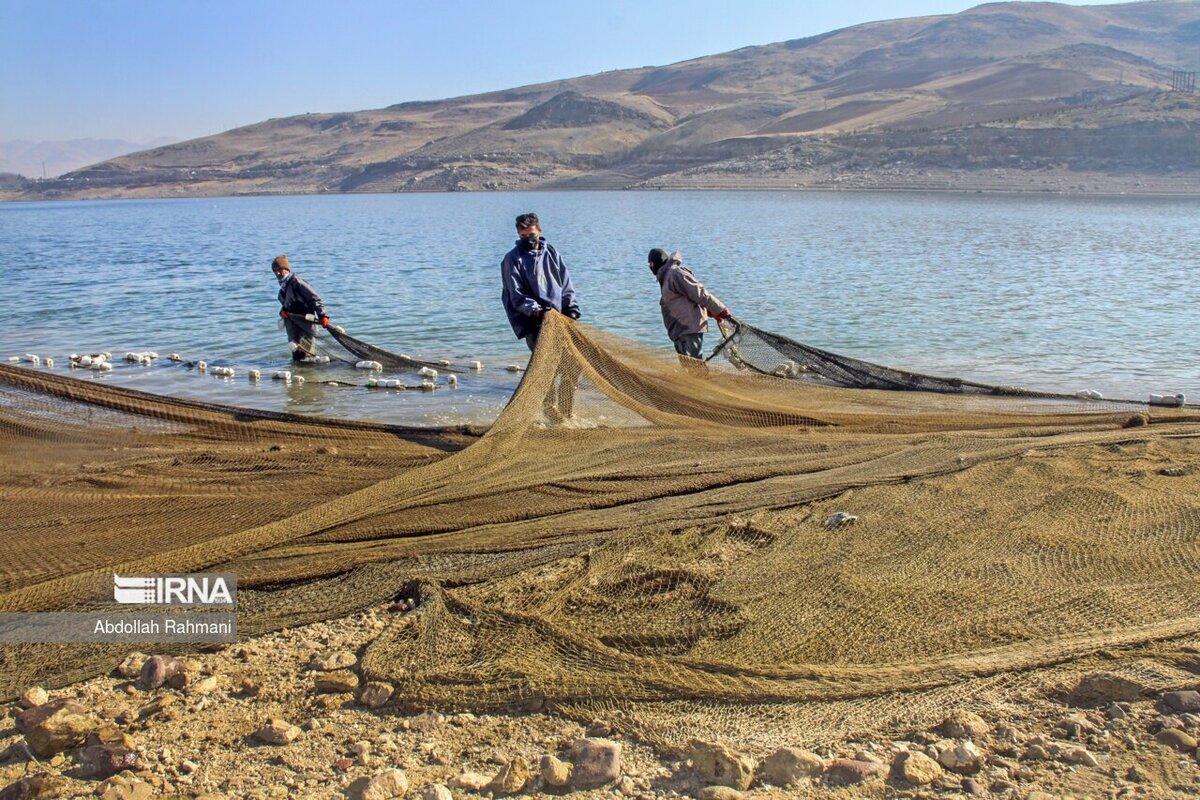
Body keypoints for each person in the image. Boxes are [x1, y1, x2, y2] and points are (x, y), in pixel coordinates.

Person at [500, 213, 582, 421]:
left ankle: (565, 410)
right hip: (534, 323)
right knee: (548, 368)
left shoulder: (552, 253)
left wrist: (571, 309)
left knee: (573, 364)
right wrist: (537, 311)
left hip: (559, 320)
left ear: (540, 231)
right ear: (519, 234)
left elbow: (566, 283)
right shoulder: (512, 259)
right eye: (524, 234)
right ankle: (549, 410)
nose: (529, 238)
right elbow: (516, 296)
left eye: (532, 234)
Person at [648, 248, 732, 361]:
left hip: (689, 329)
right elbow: (682, 301)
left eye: (651, 263)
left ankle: (704, 379)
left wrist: (720, 310)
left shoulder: (675, 273)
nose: (650, 267)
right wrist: (709, 311)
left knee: (695, 368)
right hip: (679, 332)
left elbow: (700, 293)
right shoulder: (665, 277)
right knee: (689, 368)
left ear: (658, 262)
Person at [272, 255, 329, 362]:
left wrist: (323, 315)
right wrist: (282, 312)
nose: (277, 273)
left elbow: (315, 299)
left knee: (308, 358)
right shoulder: (283, 288)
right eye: (275, 270)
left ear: (287, 269)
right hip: (292, 327)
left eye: (280, 269)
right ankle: (298, 376)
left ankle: (309, 377)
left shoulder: (296, 282)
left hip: (306, 326)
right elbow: (287, 304)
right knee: (297, 357)